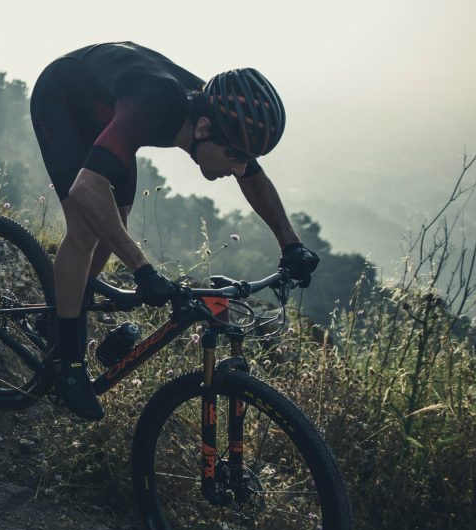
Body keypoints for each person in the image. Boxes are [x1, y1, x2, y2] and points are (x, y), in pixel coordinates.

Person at [29, 41, 319, 421]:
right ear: (203, 128)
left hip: (110, 112)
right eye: (233, 156)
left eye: (243, 159)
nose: (236, 168)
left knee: (117, 219)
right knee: (86, 227)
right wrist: (142, 269)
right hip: (61, 98)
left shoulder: (218, 116)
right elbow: (86, 187)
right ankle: (66, 362)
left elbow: (254, 178)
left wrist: (291, 244)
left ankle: (61, 312)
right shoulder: (155, 106)